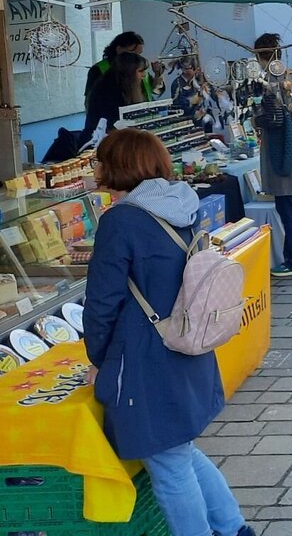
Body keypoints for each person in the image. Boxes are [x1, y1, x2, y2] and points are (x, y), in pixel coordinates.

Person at [84, 129, 255, 536]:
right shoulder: (178, 204)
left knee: (169, 465)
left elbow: (102, 303)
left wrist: (98, 360)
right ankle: (233, 528)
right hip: (182, 344)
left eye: (101, 160)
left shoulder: (121, 221)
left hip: (144, 359)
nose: (96, 167)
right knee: (179, 452)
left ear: (120, 165)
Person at [253, 34, 292, 279]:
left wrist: (255, 119)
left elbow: (274, 120)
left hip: (285, 153)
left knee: (290, 207)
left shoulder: (269, 83)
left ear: (260, 55)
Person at [84, 52, 149, 139]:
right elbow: (113, 123)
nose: (144, 75)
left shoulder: (124, 86)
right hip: (100, 140)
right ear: (128, 71)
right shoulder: (107, 90)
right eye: (140, 71)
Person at [86, 31, 160, 103]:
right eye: (132, 52)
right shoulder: (99, 69)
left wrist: (158, 73)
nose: (136, 57)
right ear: (119, 49)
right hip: (113, 113)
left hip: (144, 112)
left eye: (139, 53)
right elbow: (90, 100)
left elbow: (155, 91)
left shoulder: (140, 68)